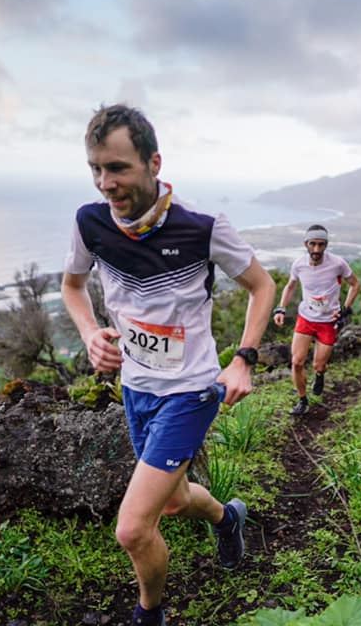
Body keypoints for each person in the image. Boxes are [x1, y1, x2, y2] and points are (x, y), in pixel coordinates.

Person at [61, 104, 275, 626]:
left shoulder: (201, 226)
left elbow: (262, 286)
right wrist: (92, 334)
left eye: (118, 168)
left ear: (153, 163)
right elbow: (72, 286)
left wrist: (243, 359)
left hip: (192, 391)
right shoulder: (90, 223)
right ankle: (228, 519)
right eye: (96, 169)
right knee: (175, 502)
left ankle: (149, 615)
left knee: (134, 528)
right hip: (136, 388)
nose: (105, 183)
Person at [272, 224, 360, 416]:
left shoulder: (338, 264)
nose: (317, 250)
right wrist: (281, 308)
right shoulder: (298, 265)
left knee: (318, 364)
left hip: (329, 321)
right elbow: (290, 286)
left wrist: (345, 310)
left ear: (326, 245)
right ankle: (303, 400)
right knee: (296, 362)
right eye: (313, 244)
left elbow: (355, 284)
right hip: (306, 318)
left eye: (321, 245)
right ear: (306, 244)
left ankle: (320, 375)